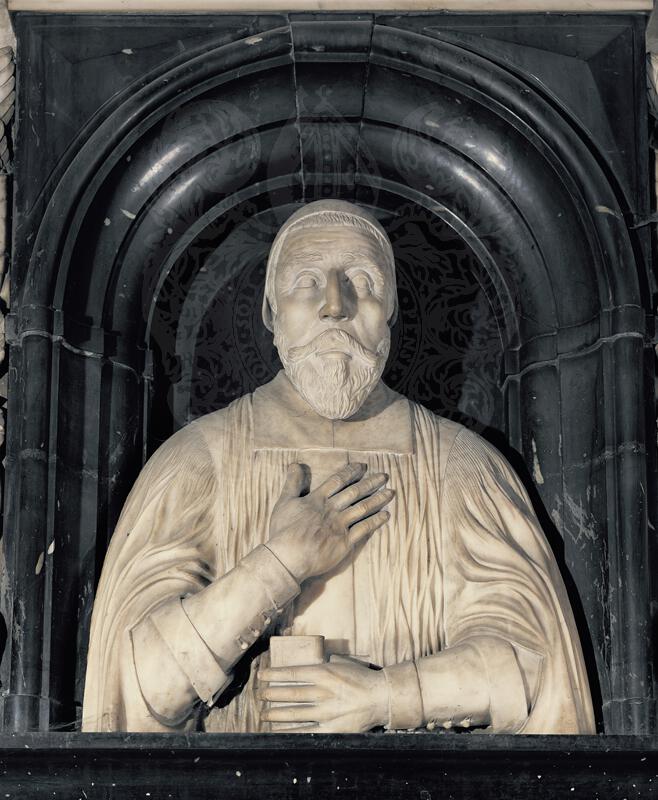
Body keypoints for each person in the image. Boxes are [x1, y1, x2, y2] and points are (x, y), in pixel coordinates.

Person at [82, 200, 595, 734]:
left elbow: (536, 671)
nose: (335, 305)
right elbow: (136, 689)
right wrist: (278, 565)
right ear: (270, 312)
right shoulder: (195, 463)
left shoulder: (462, 468)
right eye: (307, 281)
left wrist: (386, 697)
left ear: (390, 312)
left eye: (362, 281)